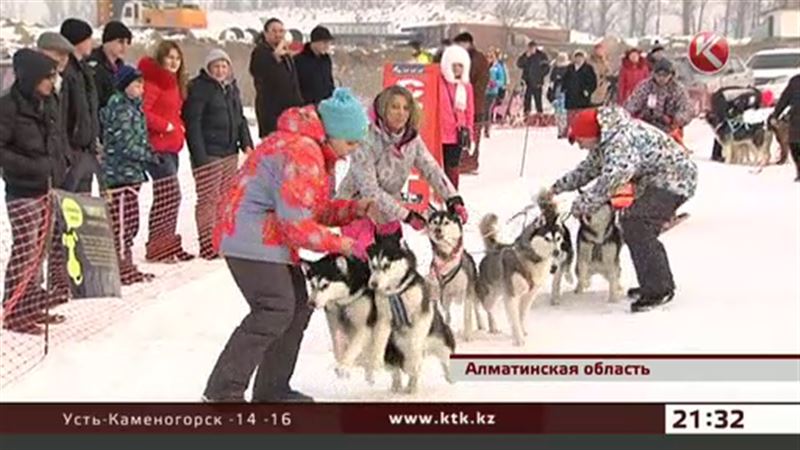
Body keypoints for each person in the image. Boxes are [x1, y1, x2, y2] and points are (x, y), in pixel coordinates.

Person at [203, 88, 376, 403]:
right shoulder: (303, 151)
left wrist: (354, 209)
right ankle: (222, 392)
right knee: (275, 307)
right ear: (333, 132)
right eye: (350, 142)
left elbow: (309, 209)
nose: (350, 152)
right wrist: (343, 244)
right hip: (248, 237)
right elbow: (297, 226)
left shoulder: (312, 149)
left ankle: (272, 388)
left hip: (266, 237)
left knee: (296, 305)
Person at [545, 107, 697, 312]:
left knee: (637, 223)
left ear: (590, 134)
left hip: (675, 179)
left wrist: (584, 203)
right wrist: (556, 188)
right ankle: (654, 283)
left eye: (580, 140)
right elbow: (587, 170)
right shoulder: (605, 141)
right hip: (658, 180)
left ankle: (658, 289)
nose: (580, 146)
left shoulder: (620, 140)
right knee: (634, 223)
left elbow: (615, 177)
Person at [337, 85, 467, 249]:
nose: (401, 113)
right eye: (395, 107)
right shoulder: (365, 139)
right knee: (365, 261)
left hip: (388, 210)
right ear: (384, 109)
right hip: (356, 208)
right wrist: (406, 215)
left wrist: (452, 198)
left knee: (394, 263)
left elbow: (431, 168)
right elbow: (369, 190)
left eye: (406, 108)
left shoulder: (411, 140)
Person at [0, 49, 68, 334]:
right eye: (47, 77)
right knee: (25, 248)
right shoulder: (7, 107)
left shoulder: (48, 102)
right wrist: (33, 167)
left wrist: (61, 162)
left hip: (48, 187)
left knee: (39, 251)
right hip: (23, 190)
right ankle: (13, 307)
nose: (52, 83)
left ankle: (29, 304)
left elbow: (56, 138)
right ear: (31, 78)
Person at [183, 49, 253, 259]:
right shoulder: (200, 89)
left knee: (225, 198)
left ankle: (222, 239)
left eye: (223, 66)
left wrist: (247, 143)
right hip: (209, 153)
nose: (220, 70)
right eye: (216, 66)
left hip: (229, 151)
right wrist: (200, 157)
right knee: (208, 199)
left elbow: (240, 118)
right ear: (208, 68)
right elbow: (193, 124)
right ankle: (207, 243)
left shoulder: (231, 88)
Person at [99, 65, 156, 285]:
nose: (140, 88)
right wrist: (148, 155)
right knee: (123, 221)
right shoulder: (121, 109)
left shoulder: (135, 107)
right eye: (136, 83)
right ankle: (120, 265)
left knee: (130, 220)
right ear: (125, 86)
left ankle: (126, 261)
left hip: (132, 173)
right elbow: (126, 144)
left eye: (142, 84)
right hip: (120, 174)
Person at [138, 40, 194, 262]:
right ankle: (157, 245)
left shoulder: (174, 83)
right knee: (170, 194)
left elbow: (173, 110)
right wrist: (166, 126)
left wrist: (179, 126)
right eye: (169, 57)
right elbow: (143, 112)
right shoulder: (154, 83)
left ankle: (166, 242)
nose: (174, 62)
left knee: (168, 196)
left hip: (172, 146)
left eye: (177, 58)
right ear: (161, 59)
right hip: (157, 147)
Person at [60, 18, 101, 194]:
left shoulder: (85, 70)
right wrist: (67, 152)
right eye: (88, 38)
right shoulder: (67, 72)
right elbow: (62, 113)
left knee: (84, 212)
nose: (91, 43)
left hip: (87, 150)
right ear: (78, 40)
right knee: (68, 208)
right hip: (72, 151)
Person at [251, 17, 303, 137]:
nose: (278, 34)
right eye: (274, 31)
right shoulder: (260, 52)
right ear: (265, 33)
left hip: (289, 112)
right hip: (271, 112)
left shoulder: (286, 55)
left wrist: (299, 106)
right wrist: (275, 56)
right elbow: (259, 72)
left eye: (281, 31)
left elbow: (293, 82)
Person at [624, 58, 693, 140]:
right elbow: (633, 102)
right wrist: (626, 115)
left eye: (665, 75)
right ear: (654, 74)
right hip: (646, 126)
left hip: (669, 129)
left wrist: (676, 119)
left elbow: (687, 109)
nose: (661, 78)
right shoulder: (645, 87)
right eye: (658, 75)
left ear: (671, 75)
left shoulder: (678, 89)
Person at [438, 45, 475, 189]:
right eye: (455, 65)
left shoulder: (466, 87)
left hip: (457, 134)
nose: (458, 69)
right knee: (437, 168)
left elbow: (469, 111)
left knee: (452, 167)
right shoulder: (439, 82)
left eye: (461, 65)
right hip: (440, 133)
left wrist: (470, 133)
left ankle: (453, 195)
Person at [453, 32, 489, 173]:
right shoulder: (457, 58)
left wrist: (468, 92)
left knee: (473, 134)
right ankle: (460, 161)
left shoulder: (479, 59)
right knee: (460, 134)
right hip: (458, 104)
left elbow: (482, 82)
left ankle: (471, 162)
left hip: (475, 104)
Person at [87, 21, 131, 109]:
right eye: (120, 42)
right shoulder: (94, 67)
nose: (125, 47)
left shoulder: (121, 67)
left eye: (128, 42)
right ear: (107, 42)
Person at [769, 74, 800, 181]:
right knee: (794, 145)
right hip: (796, 118)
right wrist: (775, 115)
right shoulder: (795, 81)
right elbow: (784, 99)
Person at [294, 26, 335, 106]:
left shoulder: (326, 59)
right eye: (324, 42)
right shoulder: (298, 60)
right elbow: (294, 86)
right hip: (306, 107)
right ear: (314, 42)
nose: (327, 46)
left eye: (328, 43)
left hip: (326, 106)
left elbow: (329, 81)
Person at [517, 41, 550, 115]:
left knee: (538, 99)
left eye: (533, 48)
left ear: (535, 47)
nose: (531, 50)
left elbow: (547, 67)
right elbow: (519, 64)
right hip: (527, 81)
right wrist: (526, 57)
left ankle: (539, 114)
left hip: (537, 81)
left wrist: (540, 74)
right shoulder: (525, 55)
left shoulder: (541, 55)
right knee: (527, 98)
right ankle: (527, 113)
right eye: (530, 48)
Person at [484, 49, 508, 138]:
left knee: (488, 110)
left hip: (492, 92)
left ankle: (487, 129)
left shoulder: (498, 67)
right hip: (483, 92)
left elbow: (502, 80)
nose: (489, 59)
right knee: (483, 110)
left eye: (491, 57)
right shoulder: (483, 66)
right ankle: (481, 127)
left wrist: (495, 83)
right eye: (488, 57)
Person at [548, 52, 571, 138]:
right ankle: (561, 130)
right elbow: (551, 81)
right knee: (559, 113)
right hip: (558, 92)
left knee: (564, 113)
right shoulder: (555, 69)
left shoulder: (569, 68)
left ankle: (565, 130)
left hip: (566, 92)